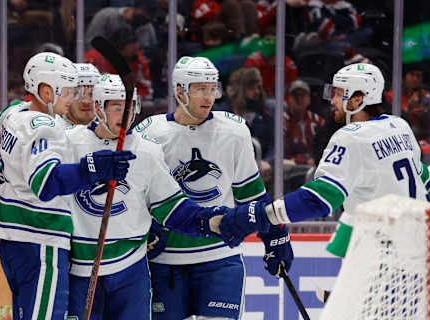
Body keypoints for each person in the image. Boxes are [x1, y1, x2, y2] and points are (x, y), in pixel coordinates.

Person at [65, 73, 292, 319]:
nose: (126, 115)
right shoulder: (69, 144)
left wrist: (219, 221)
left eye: (130, 107)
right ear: (99, 107)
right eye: (118, 107)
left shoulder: (145, 150)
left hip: (133, 269)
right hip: (89, 268)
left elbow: (173, 207)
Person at [0, 52, 136, 320]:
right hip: (44, 238)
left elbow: (13, 146)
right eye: (76, 91)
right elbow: (32, 175)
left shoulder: (22, 116)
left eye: (89, 92)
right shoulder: (49, 125)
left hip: (54, 244)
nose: (82, 99)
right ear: (48, 91)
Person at [215, 63, 430, 263]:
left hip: (386, 252)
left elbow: (319, 198)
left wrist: (261, 215)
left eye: (338, 94)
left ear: (358, 100)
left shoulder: (351, 137)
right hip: (423, 242)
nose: (333, 100)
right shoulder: (400, 126)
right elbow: (422, 178)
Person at [134, 56, 293, 320]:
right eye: (199, 89)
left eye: (212, 88)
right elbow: (137, 195)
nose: (208, 96)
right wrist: (147, 227)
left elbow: (251, 194)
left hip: (220, 257)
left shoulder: (234, 131)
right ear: (180, 90)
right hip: (166, 262)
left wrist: (275, 236)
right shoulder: (150, 134)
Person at [284, 79, 324, 165]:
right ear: (289, 99)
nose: (299, 98)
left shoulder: (317, 121)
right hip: (289, 166)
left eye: (303, 95)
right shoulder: (282, 121)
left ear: (309, 99)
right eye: (295, 95)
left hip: (313, 165)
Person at [55, 62, 101, 128]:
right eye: (77, 94)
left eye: (92, 94)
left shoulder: (112, 132)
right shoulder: (51, 129)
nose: (86, 101)